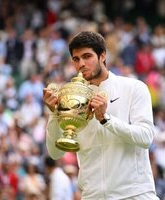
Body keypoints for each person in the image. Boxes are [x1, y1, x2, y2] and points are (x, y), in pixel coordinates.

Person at [43, 31, 160, 200]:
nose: (81, 64)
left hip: (134, 194)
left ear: (102, 55)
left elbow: (145, 137)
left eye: (87, 56)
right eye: (76, 59)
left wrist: (106, 119)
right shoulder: (70, 97)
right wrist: (54, 114)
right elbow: (55, 153)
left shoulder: (134, 88)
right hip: (93, 196)